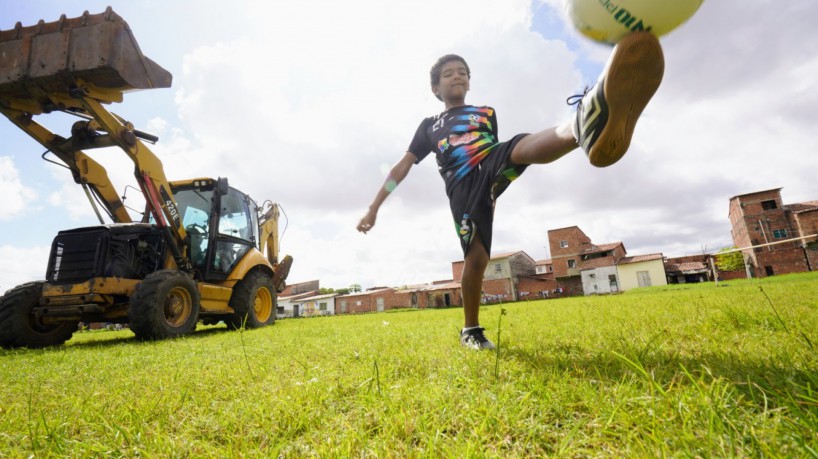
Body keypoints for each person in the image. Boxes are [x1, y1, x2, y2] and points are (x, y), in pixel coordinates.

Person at [357, 32, 664, 350]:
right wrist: (374, 207)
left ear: (470, 82)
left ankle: (584, 122)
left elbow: (497, 150)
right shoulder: (428, 126)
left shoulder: (486, 114)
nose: (457, 76)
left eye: (463, 72)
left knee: (519, 146)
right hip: (462, 186)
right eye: (448, 74)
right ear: (436, 88)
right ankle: (470, 330)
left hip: (491, 160)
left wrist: (494, 186)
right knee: (476, 258)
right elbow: (403, 166)